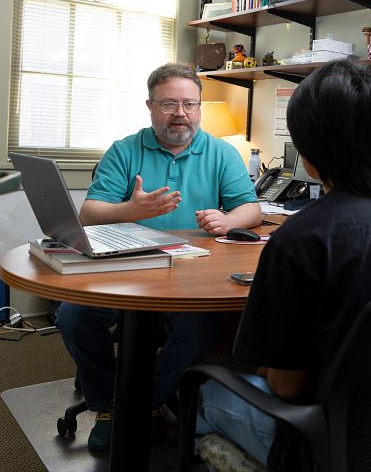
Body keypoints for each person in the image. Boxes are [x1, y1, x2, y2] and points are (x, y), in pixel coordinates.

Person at [193, 59, 371, 468]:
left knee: (202, 390)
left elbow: (286, 386)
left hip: (331, 446)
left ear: (310, 153)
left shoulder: (299, 239)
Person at [57, 62, 261, 451]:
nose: (180, 113)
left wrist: (227, 217)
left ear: (199, 107)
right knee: (74, 315)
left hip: (190, 273)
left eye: (189, 104)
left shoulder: (221, 153)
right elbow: (90, 213)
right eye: (169, 104)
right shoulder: (124, 150)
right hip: (125, 267)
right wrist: (129, 211)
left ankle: (147, 403)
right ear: (150, 106)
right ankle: (107, 405)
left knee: (200, 329)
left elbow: (250, 209)